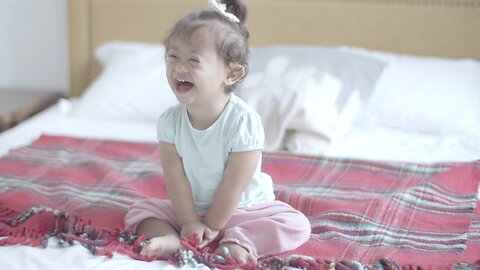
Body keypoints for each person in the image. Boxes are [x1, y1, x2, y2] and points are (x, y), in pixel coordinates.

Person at [124, 0, 311, 264]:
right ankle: (171, 239)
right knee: (140, 212)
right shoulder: (169, 122)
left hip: (244, 208)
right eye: (173, 56)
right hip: (190, 208)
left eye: (193, 60)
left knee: (296, 224)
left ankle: (238, 240)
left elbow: (234, 186)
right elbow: (175, 178)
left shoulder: (242, 121)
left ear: (232, 74)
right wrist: (189, 221)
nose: (178, 68)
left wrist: (211, 226)